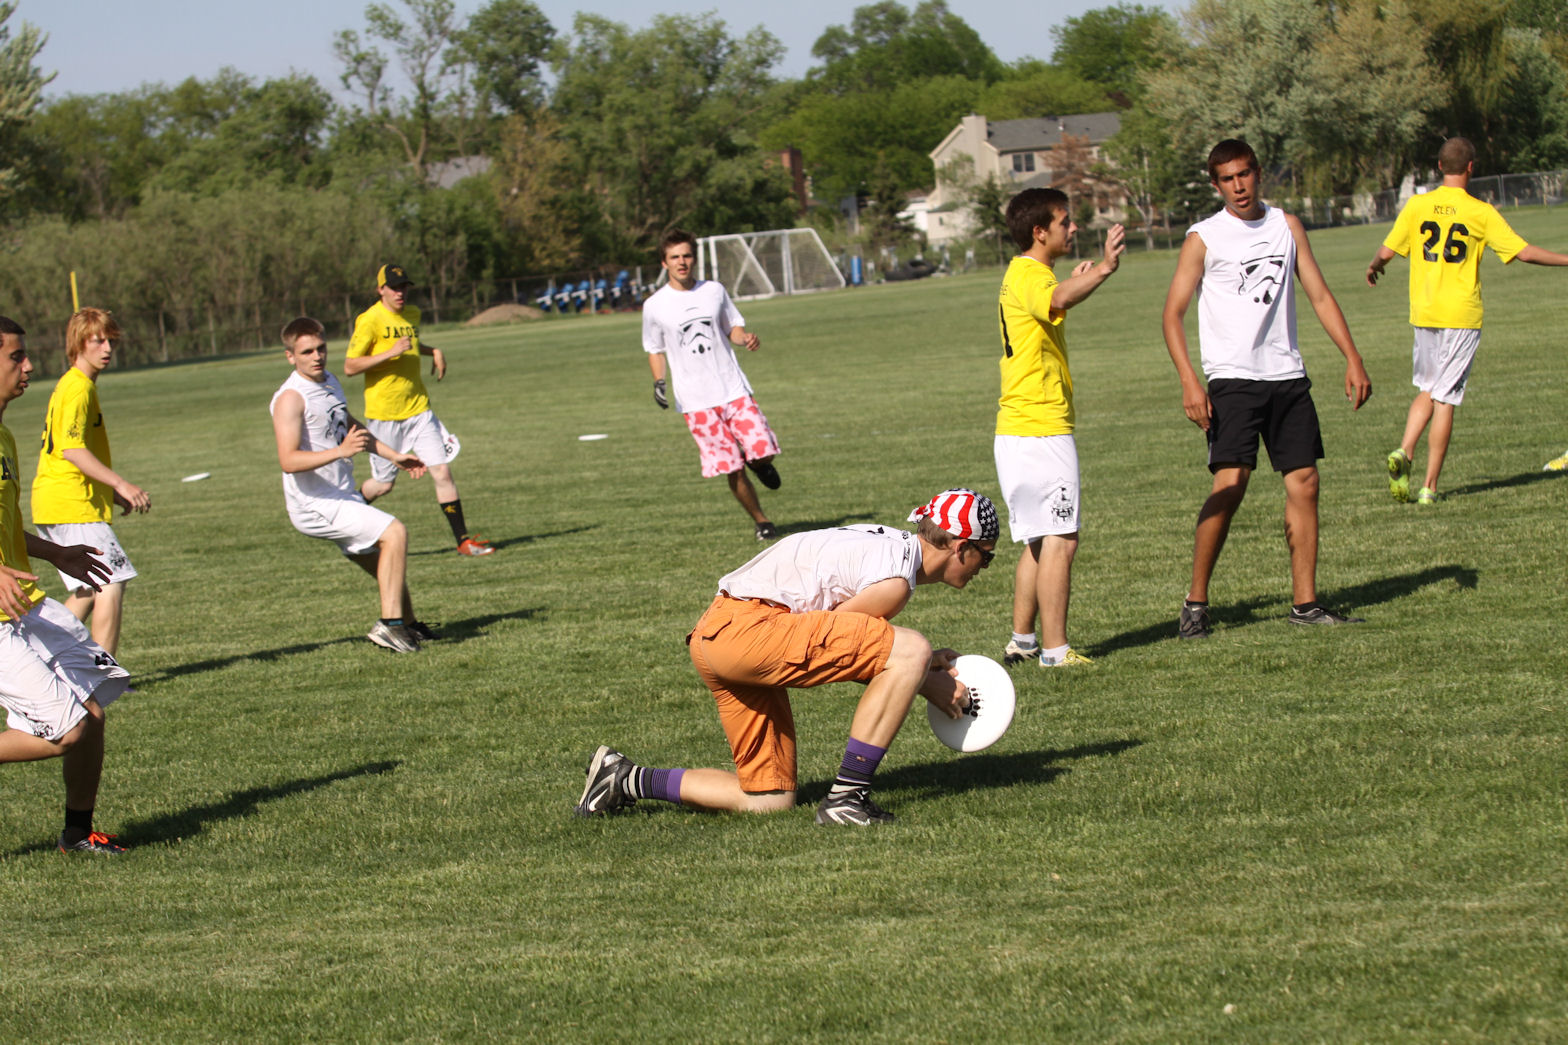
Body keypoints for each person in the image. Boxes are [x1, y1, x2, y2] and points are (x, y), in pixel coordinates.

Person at [573, 488, 998, 826]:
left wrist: (918, 669)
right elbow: (841, 642)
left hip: (720, 632)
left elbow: (839, 643)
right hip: (748, 631)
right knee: (910, 649)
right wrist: (925, 677)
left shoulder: (892, 547)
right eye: (987, 555)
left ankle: (624, 778)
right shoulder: (896, 582)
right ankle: (847, 799)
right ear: (962, 547)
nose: (985, 566)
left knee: (768, 800)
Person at [1162, 139, 1373, 637]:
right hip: (1232, 379)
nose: (1238, 186)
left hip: (1287, 376)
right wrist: (1190, 380)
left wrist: (1353, 357)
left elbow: (1319, 295)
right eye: (1227, 179)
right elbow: (1173, 314)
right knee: (1231, 483)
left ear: (1258, 173)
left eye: (1244, 174)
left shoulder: (1287, 226)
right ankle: (1196, 603)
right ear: (1216, 185)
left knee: (1305, 483)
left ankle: (1306, 604)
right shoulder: (1203, 237)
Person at [1366, 136, 1568, 501]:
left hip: (1425, 312)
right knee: (1445, 399)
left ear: (1440, 166)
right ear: (1471, 167)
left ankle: (1405, 449)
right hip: (1461, 314)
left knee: (1427, 388)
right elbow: (1523, 253)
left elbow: (1387, 251)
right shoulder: (1480, 212)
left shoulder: (1417, 205)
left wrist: (1375, 265)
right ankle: (1429, 487)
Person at [0, 315, 132, 854]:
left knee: (93, 706)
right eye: (16, 356)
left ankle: (78, 834)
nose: (29, 365)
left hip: (25, 604)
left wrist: (57, 553)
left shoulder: (4, 437)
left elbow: (7, 526)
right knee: (65, 731)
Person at [992, 188, 1125, 669]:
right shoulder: (1031, 274)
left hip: (1019, 429)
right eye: (1065, 221)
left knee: (1039, 539)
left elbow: (1056, 297)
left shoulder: (1025, 273)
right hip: (1040, 428)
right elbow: (1057, 298)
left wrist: (1075, 280)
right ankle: (1056, 651)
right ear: (1039, 231)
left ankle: (1023, 642)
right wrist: (1104, 268)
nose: (1073, 228)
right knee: (1061, 538)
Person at [271, 317, 433, 653]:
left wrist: (393, 455)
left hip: (341, 495)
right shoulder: (291, 398)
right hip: (315, 502)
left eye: (321, 348)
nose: (317, 356)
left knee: (387, 562)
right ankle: (390, 627)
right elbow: (288, 460)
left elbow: (349, 425)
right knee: (395, 532)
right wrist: (340, 452)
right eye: (307, 352)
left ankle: (409, 625)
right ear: (290, 356)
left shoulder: (329, 381)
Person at [642, 228, 783, 541]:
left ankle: (760, 464)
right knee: (732, 467)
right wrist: (658, 382)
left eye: (686, 256)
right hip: (696, 402)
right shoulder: (655, 305)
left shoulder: (714, 291)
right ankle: (762, 521)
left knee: (762, 449)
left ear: (694, 258)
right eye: (674, 257)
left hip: (733, 389)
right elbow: (654, 348)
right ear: (664, 262)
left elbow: (733, 327)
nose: (682, 262)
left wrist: (744, 338)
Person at [344, 263, 493, 556]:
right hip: (385, 416)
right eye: (394, 287)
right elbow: (350, 366)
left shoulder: (412, 314)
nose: (400, 293)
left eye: (404, 287)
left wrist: (432, 350)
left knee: (442, 471)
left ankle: (463, 541)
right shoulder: (370, 319)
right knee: (383, 485)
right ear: (381, 289)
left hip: (419, 410)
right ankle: (347, 519)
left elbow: (410, 344)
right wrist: (389, 353)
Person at [30, 308, 151, 657]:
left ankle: (40, 656)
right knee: (110, 581)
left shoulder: (75, 385)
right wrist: (122, 484)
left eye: (110, 340)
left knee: (87, 589)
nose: (107, 348)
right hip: (70, 503)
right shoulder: (78, 388)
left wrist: (111, 494)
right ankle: (103, 673)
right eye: (97, 341)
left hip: (56, 501)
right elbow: (71, 450)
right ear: (78, 344)